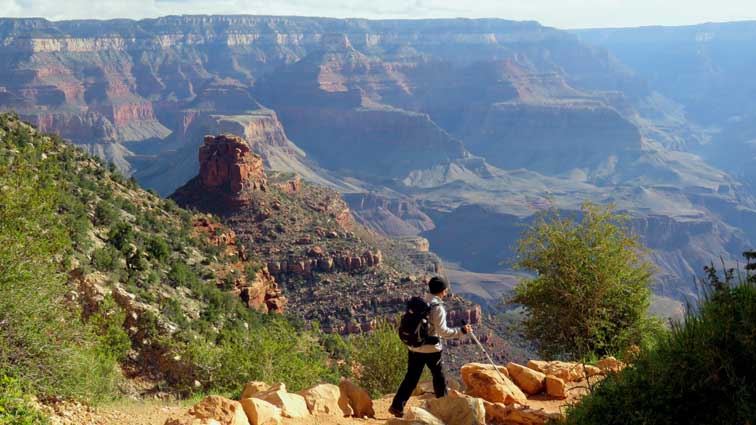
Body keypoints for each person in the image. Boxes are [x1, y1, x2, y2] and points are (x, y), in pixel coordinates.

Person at [389, 276, 472, 418]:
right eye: (445, 290)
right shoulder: (437, 307)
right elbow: (443, 332)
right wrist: (461, 331)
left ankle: (397, 406)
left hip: (414, 347)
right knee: (439, 378)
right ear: (442, 290)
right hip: (432, 350)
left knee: (411, 378)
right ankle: (443, 408)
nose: (446, 293)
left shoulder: (421, 301)